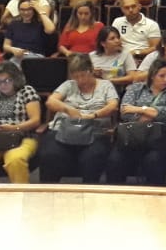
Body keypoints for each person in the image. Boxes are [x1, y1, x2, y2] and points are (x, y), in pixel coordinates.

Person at [39, 53, 119, 184]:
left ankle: (88, 195)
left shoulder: (106, 85)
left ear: (91, 70)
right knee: (50, 155)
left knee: (92, 158)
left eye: (83, 75)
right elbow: (50, 102)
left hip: (94, 130)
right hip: (65, 129)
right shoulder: (68, 85)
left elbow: (113, 105)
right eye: (76, 76)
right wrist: (68, 109)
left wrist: (94, 115)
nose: (80, 80)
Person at [105, 59, 166, 185]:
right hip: (131, 137)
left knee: (153, 160)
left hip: (159, 139)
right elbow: (125, 111)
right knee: (115, 160)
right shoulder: (135, 88)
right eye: (162, 76)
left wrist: (139, 109)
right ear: (152, 75)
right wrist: (152, 114)